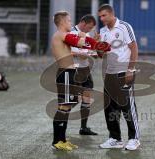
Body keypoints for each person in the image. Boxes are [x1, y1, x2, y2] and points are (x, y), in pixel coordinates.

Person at [51, 11, 110, 151]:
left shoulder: (63, 35)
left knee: (67, 105)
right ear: (63, 22)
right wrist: (86, 38)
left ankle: (62, 139)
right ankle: (57, 141)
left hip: (69, 73)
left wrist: (97, 44)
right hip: (65, 73)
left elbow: (84, 45)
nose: (71, 23)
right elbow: (81, 43)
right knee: (64, 107)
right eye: (69, 20)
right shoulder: (61, 35)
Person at [98, 4, 140, 150]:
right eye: (100, 17)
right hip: (109, 73)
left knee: (127, 107)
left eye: (104, 15)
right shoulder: (102, 31)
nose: (102, 19)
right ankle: (115, 138)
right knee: (109, 107)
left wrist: (131, 69)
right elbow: (101, 55)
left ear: (111, 14)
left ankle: (134, 138)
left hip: (124, 71)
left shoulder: (124, 27)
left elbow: (134, 48)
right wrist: (98, 47)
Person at [70, 14, 98, 135]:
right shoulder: (71, 33)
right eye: (90, 27)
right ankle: (60, 116)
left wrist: (94, 50)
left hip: (85, 69)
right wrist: (78, 55)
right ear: (83, 23)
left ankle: (83, 128)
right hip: (74, 69)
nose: (90, 30)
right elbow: (68, 51)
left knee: (87, 97)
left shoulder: (85, 35)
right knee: (74, 99)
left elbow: (88, 51)